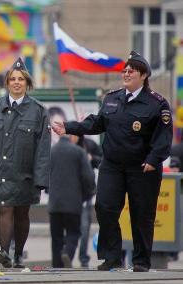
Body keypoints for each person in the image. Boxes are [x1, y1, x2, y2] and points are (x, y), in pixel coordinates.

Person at [52, 51, 173, 272]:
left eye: (131, 70)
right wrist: (68, 127)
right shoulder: (112, 97)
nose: (125, 73)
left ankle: (141, 260)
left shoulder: (157, 104)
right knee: (104, 207)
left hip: (142, 168)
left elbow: (163, 138)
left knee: (142, 214)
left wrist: (153, 160)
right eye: (124, 70)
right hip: (113, 166)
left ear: (144, 75)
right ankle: (112, 257)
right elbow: (96, 123)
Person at [0, 58, 51, 268]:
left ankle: (18, 255)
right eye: (13, 79)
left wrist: (41, 178)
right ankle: (5, 252)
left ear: (27, 83)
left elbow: (43, 147)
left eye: (21, 79)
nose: (17, 82)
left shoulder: (38, 111)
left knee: (22, 213)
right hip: (0, 172)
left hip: (25, 173)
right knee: (4, 209)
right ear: (7, 83)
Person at [48, 130, 96, 268]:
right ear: (72, 137)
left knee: (56, 238)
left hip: (54, 203)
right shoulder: (79, 152)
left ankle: (57, 267)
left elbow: (44, 174)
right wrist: (89, 193)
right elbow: (88, 177)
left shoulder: (51, 151)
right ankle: (67, 254)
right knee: (73, 233)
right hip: (73, 203)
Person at [76, 136, 102, 268]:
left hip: (85, 195)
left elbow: (101, 161)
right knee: (69, 229)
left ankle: (83, 257)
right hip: (70, 194)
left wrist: (92, 159)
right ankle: (65, 254)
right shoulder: (67, 146)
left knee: (85, 228)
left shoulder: (89, 144)